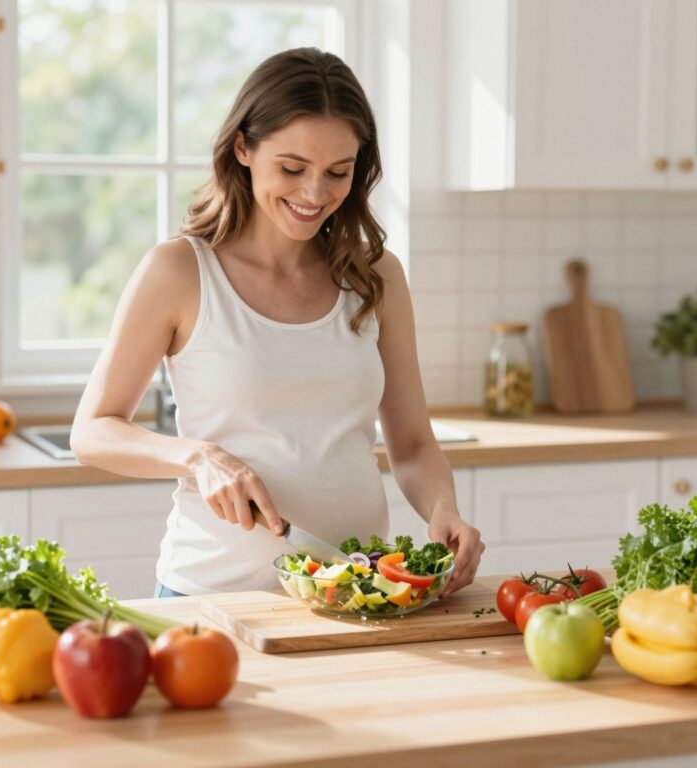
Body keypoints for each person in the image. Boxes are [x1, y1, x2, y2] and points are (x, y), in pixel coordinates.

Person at [71, 47, 484, 599]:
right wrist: (198, 457)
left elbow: (410, 442)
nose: (315, 194)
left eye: (338, 172)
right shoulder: (179, 272)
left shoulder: (375, 274)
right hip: (213, 597)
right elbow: (93, 430)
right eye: (291, 168)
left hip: (353, 592)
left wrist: (443, 509)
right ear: (243, 146)